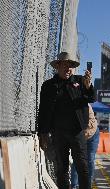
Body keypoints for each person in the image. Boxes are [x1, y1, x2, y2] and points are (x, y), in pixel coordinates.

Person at [38, 52, 94, 189]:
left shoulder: (80, 81)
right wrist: (42, 133)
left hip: (77, 132)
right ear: (58, 66)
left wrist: (87, 87)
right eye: (65, 65)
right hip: (58, 133)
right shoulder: (48, 85)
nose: (68, 69)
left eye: (70, 66)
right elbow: (43, 111)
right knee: (61, 169)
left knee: (82, 166)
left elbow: (90, 99)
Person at [71, 104, 100, 188]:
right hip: (79, 134)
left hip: (92, 133)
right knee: (77, 159)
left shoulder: (84, 104)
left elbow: (85, 124)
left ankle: (88, 185)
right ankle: (74, 185)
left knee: (90, 159)